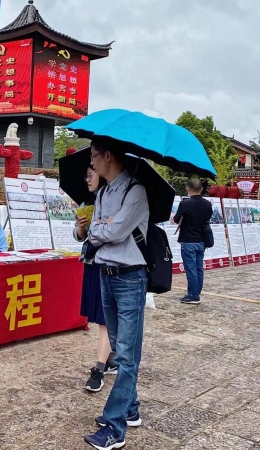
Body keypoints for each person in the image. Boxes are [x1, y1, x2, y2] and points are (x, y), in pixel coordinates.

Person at [84, 137, 149, 450]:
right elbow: (98, 230)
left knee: (126, 353)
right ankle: (131, 407)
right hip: (105, 274)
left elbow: (114, 231)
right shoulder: (105, 192)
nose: (91, 162)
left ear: (108, 156)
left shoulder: (134, 191)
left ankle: (114, 426)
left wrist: (101, 228)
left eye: (94, 156)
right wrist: (98, 226)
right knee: (119, 349)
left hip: (129, 278)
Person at [74, 166, 117, 393]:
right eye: (86, 175)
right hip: (91, 263)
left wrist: (105, 226)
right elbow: (79, 236)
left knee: (104, 320)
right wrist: (82, 229)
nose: (87, 179)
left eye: (90, 174)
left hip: (109, 264)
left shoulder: (116, 200)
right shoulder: (85, 202)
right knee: (101, 317)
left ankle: (99, 369)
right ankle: (112, 357)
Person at [172, 178, 212, 305]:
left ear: (187, 188)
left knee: (191, 269)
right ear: (201, 189)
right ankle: (196, 292)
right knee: (199, 268)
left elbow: (177, 219)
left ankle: (193, 295)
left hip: (188, 239)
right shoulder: (207, 204)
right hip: (202, 240)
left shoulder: (185, 204)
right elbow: (208, 217)